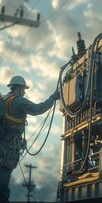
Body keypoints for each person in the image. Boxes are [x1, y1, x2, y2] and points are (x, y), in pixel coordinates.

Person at [0, 75, 60, 203]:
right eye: (23, 89)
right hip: (7, 150)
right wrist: (53, 98)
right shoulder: (18, 101)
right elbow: (38, 109)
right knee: (2, 186)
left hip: (3, 145)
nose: (24, 92)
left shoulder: (3, 99)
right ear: (19, 89)